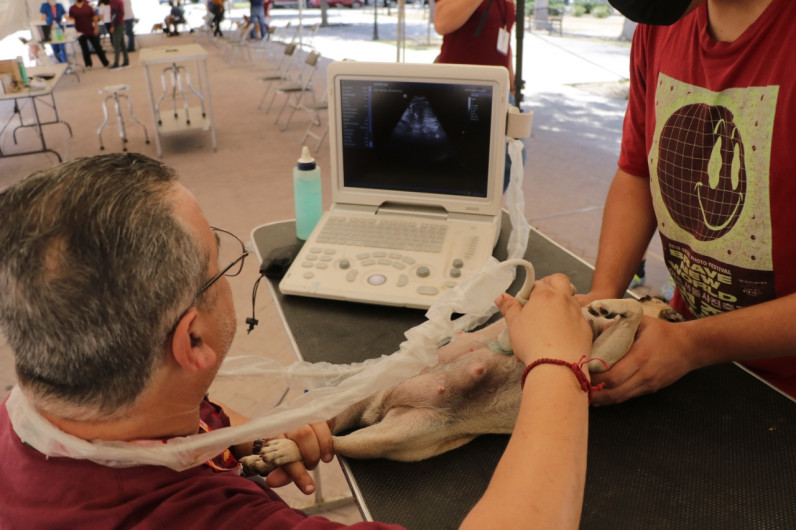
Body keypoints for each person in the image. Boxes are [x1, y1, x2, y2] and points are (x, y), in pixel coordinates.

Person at [0, 153, 593, 528]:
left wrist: (227, 434)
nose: (232, 273)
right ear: (194, 340)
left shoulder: (44, 409)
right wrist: (558, 365)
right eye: (219, 263)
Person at [579, 0, 796, 404]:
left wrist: (693, 346)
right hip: (687, 347)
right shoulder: (662, 27)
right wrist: (603, 297)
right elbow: (637, 172)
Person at [434, 0, 523, 191]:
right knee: (463, 157)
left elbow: (503, 36)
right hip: (460, 89)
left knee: (511, 158)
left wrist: (511, 79)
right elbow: (441, 23)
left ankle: (486, 206)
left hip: (498, 88)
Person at [68, 0, 110, 68]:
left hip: (90, 30)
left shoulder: (88, 7)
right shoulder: (72, 9)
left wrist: (96, 28)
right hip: (80, 32)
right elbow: (71, 19)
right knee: (85, 49)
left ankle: (105, 62)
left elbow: (94, 18)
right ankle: (88, 64)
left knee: (97, 47)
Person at [108, 0, 128, 68]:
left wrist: (113, 25)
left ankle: (116, 63)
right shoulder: (120, 1)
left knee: (116, 44)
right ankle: (126, 60)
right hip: (121, 23)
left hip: (118, 25)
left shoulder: (113, 1)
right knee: (122, 44)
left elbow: (114, 14)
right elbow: (122, 12)